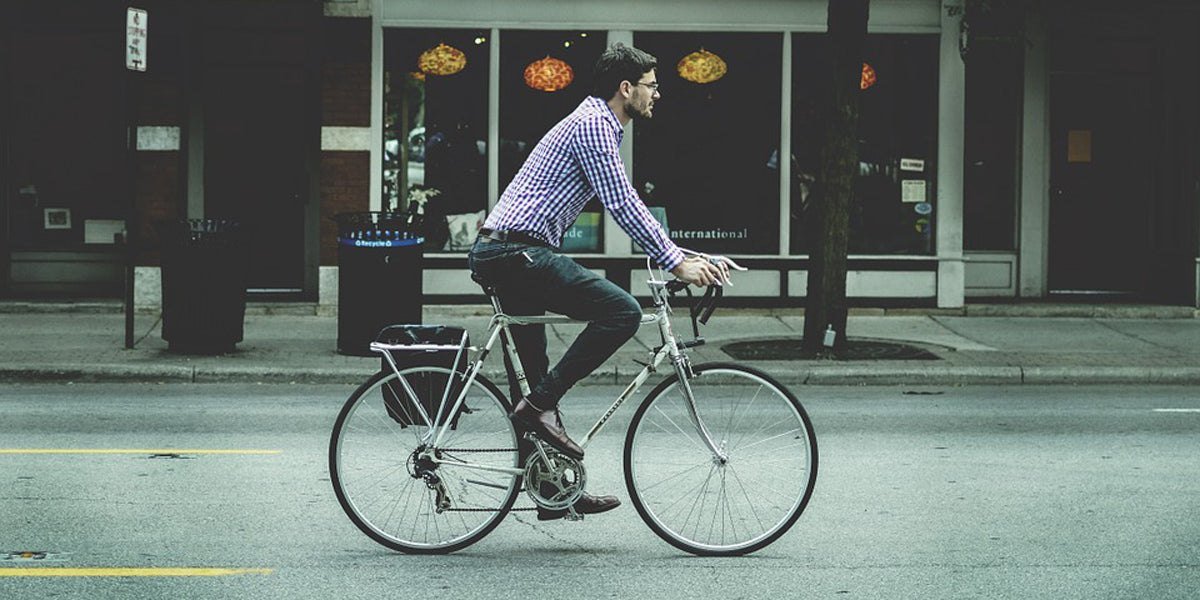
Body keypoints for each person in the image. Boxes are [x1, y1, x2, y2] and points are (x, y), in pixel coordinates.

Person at [468, 43, 727, 520]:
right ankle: (538, 409)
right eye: (651, 85)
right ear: (626, 88)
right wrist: (675, 263)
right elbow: (622, 202)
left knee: (534, 373)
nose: (657, 94)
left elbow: (626, 203)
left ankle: (552, 487)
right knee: (621, 312)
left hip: (512, 251)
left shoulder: (598, 124)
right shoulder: (594, 126)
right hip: (515, 252)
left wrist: (689, 256)